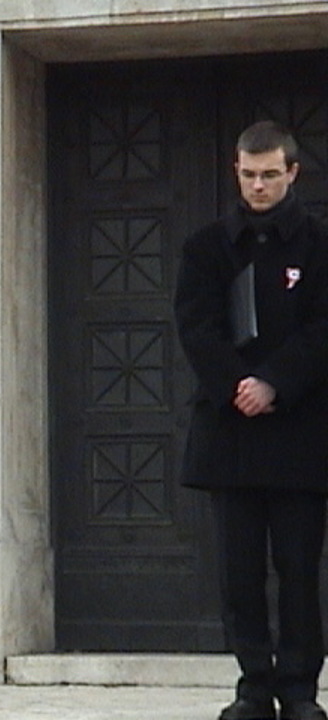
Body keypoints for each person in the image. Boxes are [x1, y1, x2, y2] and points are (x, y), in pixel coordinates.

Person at [175, 120, 328, 720]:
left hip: (299, 434)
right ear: (235, 173)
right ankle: (254, 686)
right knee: (239, 574)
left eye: (269, 174)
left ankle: (300, 690)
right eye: (248, 175)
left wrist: (275, 383)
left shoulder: (320, 245)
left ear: (292, 173)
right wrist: (238, 385)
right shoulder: (206, 247)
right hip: (231, 434)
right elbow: (197, 326)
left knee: (298, 569)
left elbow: (322, 329)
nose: (258, 186)